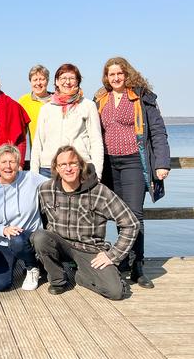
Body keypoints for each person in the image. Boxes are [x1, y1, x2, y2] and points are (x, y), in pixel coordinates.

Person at [95, 57, 171, 288]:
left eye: (120, 73)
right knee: (118, 214)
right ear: (106, 78)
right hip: (108, 164)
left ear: (127, 74)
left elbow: (158, 132)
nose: (116, 78)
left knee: (134, 214)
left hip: (133, 162)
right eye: (111, 74)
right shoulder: (100, 99)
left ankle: (138, 266)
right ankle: (123, 261)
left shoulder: (142, 97)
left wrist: (162, 163)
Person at [32, 146, 139, 300]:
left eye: (73, 163)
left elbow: (131, 224)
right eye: (63, 164)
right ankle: (58, 279)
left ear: (81, 166)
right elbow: (39, 220)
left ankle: (77, 274)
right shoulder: (45, 190)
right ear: (56, 168)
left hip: (89, 250)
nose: (68, 168)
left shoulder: (99, 192)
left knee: (116, 292)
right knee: (40, 237)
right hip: (60, 245)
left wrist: (113, 255)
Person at [0, 144, 47, 291]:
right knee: (0, 284)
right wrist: (2, 229)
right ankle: (14, 263)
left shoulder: (31, 178)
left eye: (12, 162)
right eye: (4, 162)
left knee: (17, 240)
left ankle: (32, 266)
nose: (8, 166)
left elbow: (56, 183)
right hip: (3, 240)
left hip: (28, 237)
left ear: (19, 164)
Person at [31, 63, 103, 178]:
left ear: (78, 81)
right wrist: (34, 175)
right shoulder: (46, 108)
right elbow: (37, 143)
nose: (67, 82)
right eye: (63, 78)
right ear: (57, 82)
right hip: (48, 168)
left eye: (72, 78)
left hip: (80, 166)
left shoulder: (88, 106)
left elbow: (96, 141)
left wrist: (97, 174)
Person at [18, 65, 52, 147]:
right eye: (35, 80)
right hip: (37, 152)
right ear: (30, 82)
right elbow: (18, 130)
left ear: (47, 81)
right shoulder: (24, 101)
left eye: (42, 79)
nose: (38, 83)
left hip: (59, 153)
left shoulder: (57, 99)